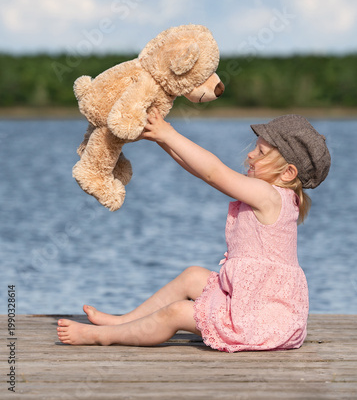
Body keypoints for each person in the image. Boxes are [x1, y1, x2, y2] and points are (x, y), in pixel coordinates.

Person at [57, 111, 330, 351]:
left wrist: (170, 133)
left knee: (176, 313)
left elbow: (212, 172)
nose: (250, 154)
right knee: (192, 277)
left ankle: (102, 336)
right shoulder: (275, 195)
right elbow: (201, 172)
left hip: (256, 321)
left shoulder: (268, 195)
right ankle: (124, 321)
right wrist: (162, 139)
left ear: (287, 173)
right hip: (258, 309)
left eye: (260, 153)